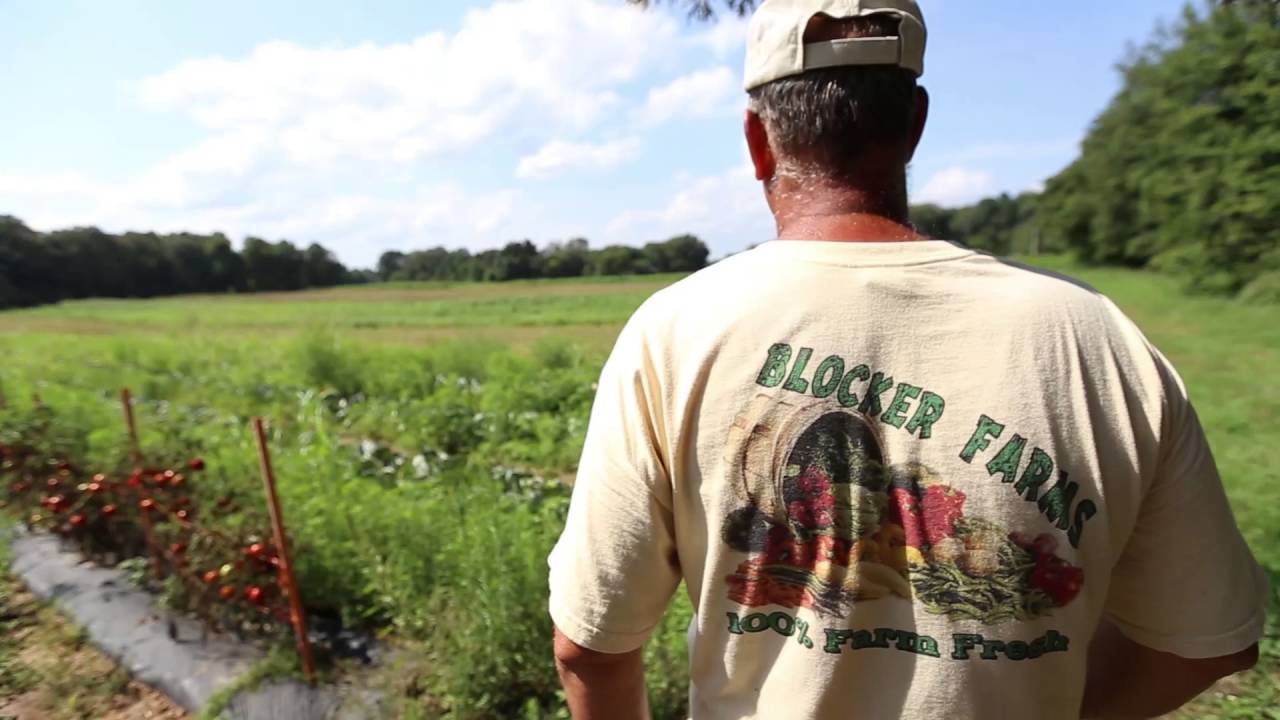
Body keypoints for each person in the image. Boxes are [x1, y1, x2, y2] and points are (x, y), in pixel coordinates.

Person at [547, 1, 1268, 718]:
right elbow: (1207, 641)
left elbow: (591, 647)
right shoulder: (1096, 339)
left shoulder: (675, 333)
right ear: (915, 123)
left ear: (757, 141)